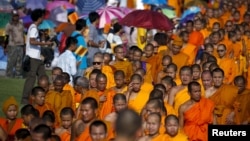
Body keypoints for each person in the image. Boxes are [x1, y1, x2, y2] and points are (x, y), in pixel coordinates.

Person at [21, 9, 52, 104]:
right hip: (33, 57)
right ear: (39, 18)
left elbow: (35, 41)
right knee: (31, 78)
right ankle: (25, 99)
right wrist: (45, 43)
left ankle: (45, 96)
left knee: (43, 77)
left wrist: (42, 37)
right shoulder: (34, 28)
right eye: (42, 17)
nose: (43, 18)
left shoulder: (34, 28)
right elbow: (32, 41)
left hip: (37, 57)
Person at [5, 10, 25, 78]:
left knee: (19, 61)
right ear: (12, 16)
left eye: (16, 16)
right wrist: (5, 47)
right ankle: (9, 75)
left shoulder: (21, 23)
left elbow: (23, 34)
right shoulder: (9, 25)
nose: (15, 17)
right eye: (14, 16)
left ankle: (18, 75)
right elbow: (6, 36)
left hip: (21, 44)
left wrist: (24, 45)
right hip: (12, 44)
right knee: (11, 61)